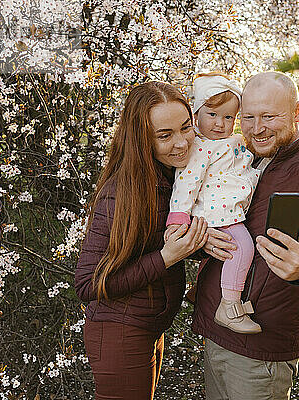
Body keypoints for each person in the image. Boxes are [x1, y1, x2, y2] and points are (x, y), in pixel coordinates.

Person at [188, 71, 299, 400]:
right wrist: (202, 239)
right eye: (248, 117)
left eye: (269, 116)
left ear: (296, 112)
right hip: (217, 329)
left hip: (259, 350)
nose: (257, 128)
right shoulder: (239, 158)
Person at [75, 81, 208, 400]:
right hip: (119, 332)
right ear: (142, 139)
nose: (181, 143)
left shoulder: (169, 178)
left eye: (186, 128)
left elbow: (159, 241)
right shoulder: (123, 193)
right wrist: (168, 257)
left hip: (147, 325)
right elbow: (86, 284)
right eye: (165, 135)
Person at [165, 72, 261, 334]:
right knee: (242, 247)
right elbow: (185, 185)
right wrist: (178, 219)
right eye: (212, 115)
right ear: (196, 115)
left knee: (225, 255)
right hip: (218, 214)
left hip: (231, 208)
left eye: (228, 117)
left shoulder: (233, 142)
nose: (220, 123)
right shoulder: (199, 148)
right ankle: (229, 306)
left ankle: (202, 290)